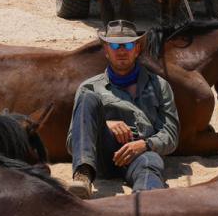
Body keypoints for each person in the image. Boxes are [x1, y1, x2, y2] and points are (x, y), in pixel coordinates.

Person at [65, 20, 178, 199]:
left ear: (137, 49)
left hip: (140, 153)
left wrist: (145, 144)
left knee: (151, 163)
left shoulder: (159, 85)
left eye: (128, 44)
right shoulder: (89, 88)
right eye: (115, 45)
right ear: (106, 51)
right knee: (88, 99)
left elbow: (171, 135)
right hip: (102, 155)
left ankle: (147, 202)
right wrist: (105, 124)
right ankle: (83, 175)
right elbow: (73, 143)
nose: (122, 50)